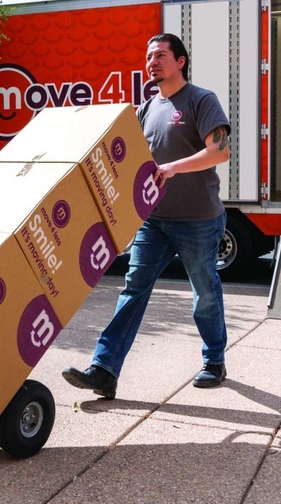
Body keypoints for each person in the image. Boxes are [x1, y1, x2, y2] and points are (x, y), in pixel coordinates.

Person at [62, 33, 231, 399]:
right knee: (133, 289)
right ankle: (104, 370)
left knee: (204, 292)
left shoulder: (201, 100)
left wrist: (172, 167)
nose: (151, 62)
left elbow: (220, 152)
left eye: (160, 55)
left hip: (199, 219)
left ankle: (215, 360)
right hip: (153, 220)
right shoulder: (147, 108)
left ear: (180, 61)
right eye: (148, 57)